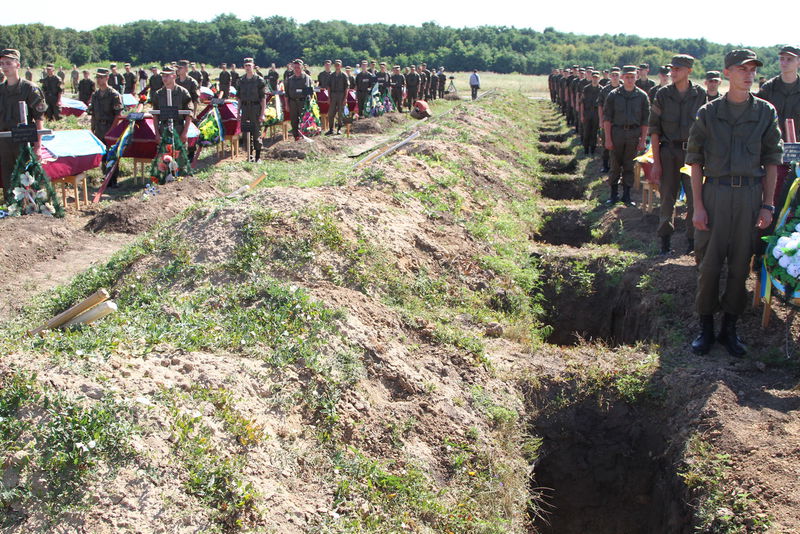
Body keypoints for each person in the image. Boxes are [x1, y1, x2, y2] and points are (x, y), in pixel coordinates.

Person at [687, 49, 783, 357]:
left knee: (741, 266)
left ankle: (730, 328)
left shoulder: (765, 112)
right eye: (742, 68)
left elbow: (771, 161)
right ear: (727, 72)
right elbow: (696, 162)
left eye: (753, 68)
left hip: (749, 197)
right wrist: (698, 206)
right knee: (709, 265)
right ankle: (706, 328)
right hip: (715, 194)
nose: (749, 73)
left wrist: (768, 205)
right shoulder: (709, 113)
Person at [649, 54, 707, 255]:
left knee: (694, 198)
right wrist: (656, 162)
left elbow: (706, 129)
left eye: (677, 69)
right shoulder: (662, 95)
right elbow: (654, 130)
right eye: (672, 69)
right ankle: (665, 241)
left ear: (689, 71)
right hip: (668, 152)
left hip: (692, 155)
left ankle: (692, 243)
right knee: (667, 197)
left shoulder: (700, 95)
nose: (673, 73)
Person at [0, 49, 46, 202]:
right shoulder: (1, 90)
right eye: (2, 63)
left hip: (24, 141)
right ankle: (13, 210)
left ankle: (31, 210)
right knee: (8, 179)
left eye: (8, 63)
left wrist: (38, 146)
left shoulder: (29, 88)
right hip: (4, 141)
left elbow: (39, 118)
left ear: (17, 64)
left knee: (28, 179)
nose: (5, 67)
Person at [602, 65, 649, 205]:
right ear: (622, 77)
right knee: (615, 165)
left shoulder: (642, 96)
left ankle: (627, 196)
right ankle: (613, 195)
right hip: (617, 133)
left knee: (630, 166)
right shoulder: (613, 95)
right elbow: (607, 119)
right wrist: (608, 139)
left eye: (632, 77)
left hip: (634, 134)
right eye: (627, 77)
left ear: (636, 77)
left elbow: (645, 120)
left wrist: (643, 140)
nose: (629, 80)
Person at [88, 67, 124, 186]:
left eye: (101, 77)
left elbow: (118, 115)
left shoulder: (114, 95)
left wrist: (111, 131)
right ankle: (105, 177)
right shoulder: (95, 95)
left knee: (112, 154)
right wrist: (92, 129)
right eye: (97, 77)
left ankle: (113, 180)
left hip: (110, 127)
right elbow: (93, 113)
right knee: (103, 154)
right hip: (99, 128)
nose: (99, 80)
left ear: (107, 78)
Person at [150, 66, 193, 146]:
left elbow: (189, 113)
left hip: (179, 129)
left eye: (167, 75)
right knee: (165, 156)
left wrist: (184, 133)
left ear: (174, 76)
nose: (164, 78)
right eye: (163, 76)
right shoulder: (158, 94)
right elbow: (155, 115)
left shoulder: (183, 92)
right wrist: (157, 133)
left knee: (179, 156)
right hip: (163, 129)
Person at [237, 57, 266, 161]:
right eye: (246, 65)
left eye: (250, 65)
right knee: (245, 132)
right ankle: (249, 156)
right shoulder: (241, 81)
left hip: (256, 108)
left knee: (256, 131)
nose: (248, 67)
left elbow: (263, 99)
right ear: (243, 67)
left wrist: (262, 114)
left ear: (253, 66)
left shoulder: (259, 80)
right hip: (245, 108)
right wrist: (238, 112)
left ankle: (258, 157)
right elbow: (239, 98)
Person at [597, 67, 621, 173]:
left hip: (619, 122)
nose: (615, 77)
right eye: (613, 75)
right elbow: (600, 105)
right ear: (610, 76)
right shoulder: (605, 89)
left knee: (618, 147)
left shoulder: (624, 89)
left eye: (617, 75)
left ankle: (615, 168)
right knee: (606, 144)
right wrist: (601, 120)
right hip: (607, 121)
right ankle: (605, 165)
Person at [285, 59, 313, 140]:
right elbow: (286, 94)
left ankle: (305, 137)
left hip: (303, 102)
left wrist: (309, 104)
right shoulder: (289, 79)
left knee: (304, 121)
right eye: (295, 67)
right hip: (293, 102)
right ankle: (296, 137)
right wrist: (287, 105)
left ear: (302, 67)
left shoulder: (307, 78)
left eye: (298, 67)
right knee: (294, 121)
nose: (297, 69)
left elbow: (310, 93)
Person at [580, 71, 602, 156]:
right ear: (591, 78)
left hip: (596, 114)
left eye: (597, 78)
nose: (595, 79)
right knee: (586, 132)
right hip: (587, 113)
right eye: (594, 77)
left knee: (594, 133)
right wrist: (582, 115)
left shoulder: (601, 89)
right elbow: (582, 102)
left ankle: (592, 150)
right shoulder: (586, 89)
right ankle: (586, 150)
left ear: (599, 78)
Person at [326, 60, 349, 135]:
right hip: (333, 95)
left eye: (338, 65)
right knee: (331, 113)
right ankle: (331, 129)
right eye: (336, 65)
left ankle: (339, 128)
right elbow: (328, 87)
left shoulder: (344, 75)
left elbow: (346, 88)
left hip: (341, 95)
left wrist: (345, 98)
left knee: (340, 113)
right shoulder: (331, 75)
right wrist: (329, 97)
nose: (337, 66)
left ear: (341, 66)